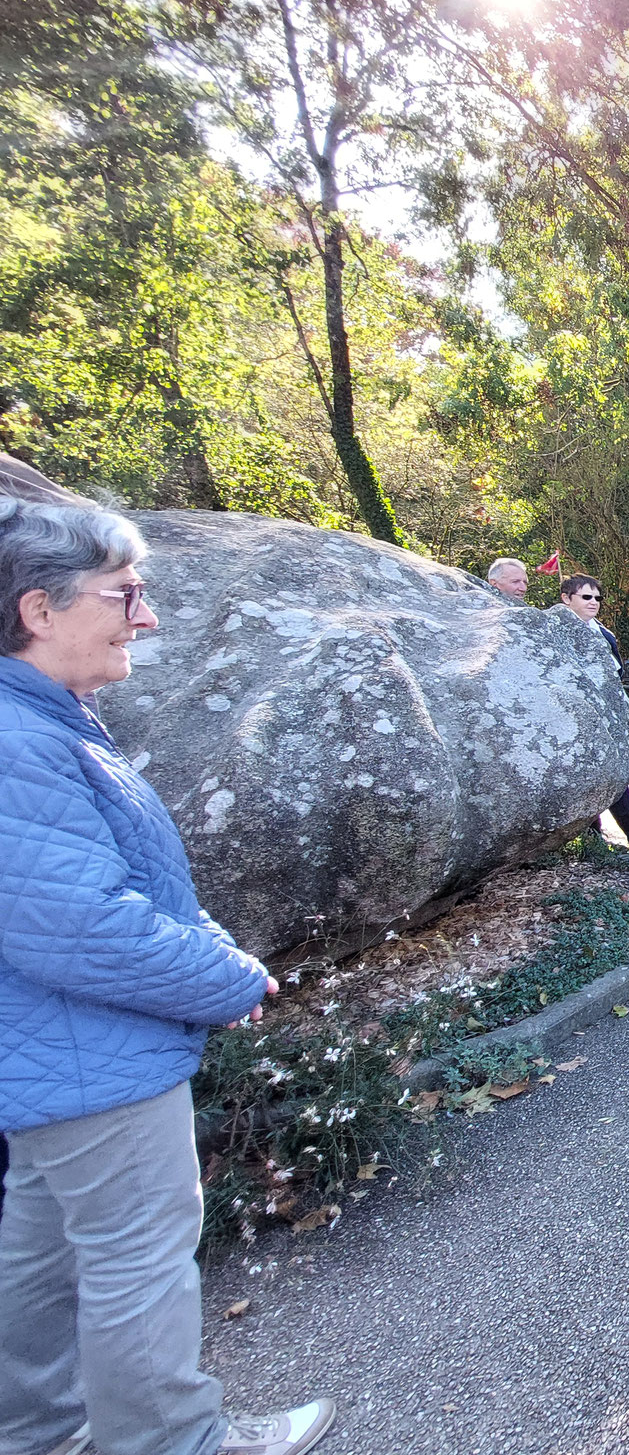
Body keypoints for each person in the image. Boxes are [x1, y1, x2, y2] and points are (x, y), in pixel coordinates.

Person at [0, 498, 334, 1455]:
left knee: (44, 1256)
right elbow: (80, 927)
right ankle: (173, 1442)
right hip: (88, 1060)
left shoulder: (41, 722)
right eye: (127, 595)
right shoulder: (22, 739)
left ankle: (38, 1433)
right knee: (134, 1260)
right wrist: (227, 978)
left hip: (53, 1063)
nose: (146, 617)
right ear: (40, 610)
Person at [556, 574, 629, 858]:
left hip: (605, 723)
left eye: (597, 597)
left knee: (614, 779)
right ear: (566, 599)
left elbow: (616, 671)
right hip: (569, 724)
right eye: (586, 597)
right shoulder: (553, 632)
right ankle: (595, 838)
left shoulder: (603, 634)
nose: (594, 602)